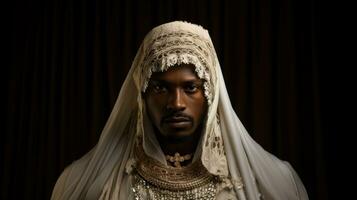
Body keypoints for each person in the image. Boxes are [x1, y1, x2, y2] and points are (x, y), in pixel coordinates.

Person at [51, 21, 308, 200]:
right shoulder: (83, 185)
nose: (176, 104)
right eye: (161, 88)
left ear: (210, 94)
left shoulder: (275, 183)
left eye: (191, 88)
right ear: (142, 94)